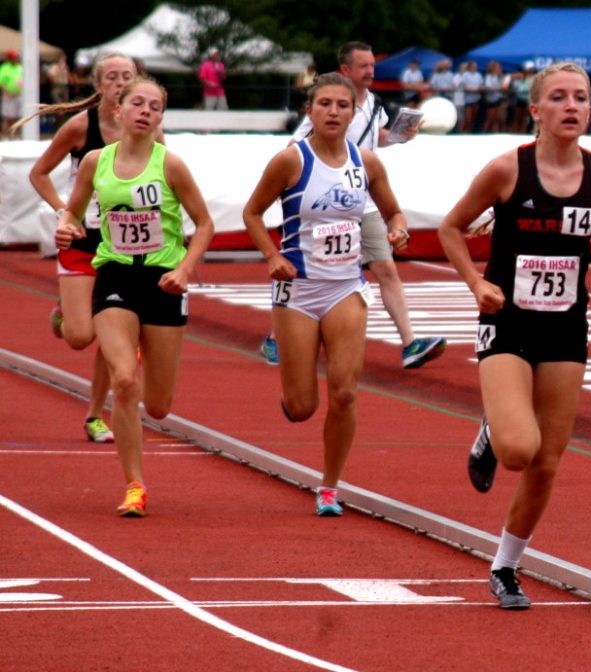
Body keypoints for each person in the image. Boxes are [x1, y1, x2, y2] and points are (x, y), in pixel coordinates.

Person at [438, 63, 591, 609]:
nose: (572, 107)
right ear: (536, 110)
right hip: (508, 323)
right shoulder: (507, 169)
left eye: (581, 98)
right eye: (559, 98)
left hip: (566, 327)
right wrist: (476, 283)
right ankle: (494, 429)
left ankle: (505, 567)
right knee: (520, 450)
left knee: (548, 460)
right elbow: (451, 228)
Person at [243, 72, 410, 516]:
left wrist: (396, 229)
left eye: (342, 105)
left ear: (354, 113)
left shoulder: (367, 163)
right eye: (325, 105)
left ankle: (330, 487)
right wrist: (270, 256)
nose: (334, 112)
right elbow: (253, 212)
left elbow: (393, 210)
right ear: (310, 110)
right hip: (297, 289)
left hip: (345, 288)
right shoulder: (290, 161)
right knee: (302, 407)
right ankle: (291, 394)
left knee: (346, 392)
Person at [54, 75, 214, 517]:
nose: (146, 111)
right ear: (119, 110)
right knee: (124, 381)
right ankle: (134, 486)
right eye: (138, 103)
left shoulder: (171, 165)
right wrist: (67, 224)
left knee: (159, 406)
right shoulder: (95, 162)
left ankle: (140, 348)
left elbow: (203, 224)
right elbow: (73, 207)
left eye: (155, 106)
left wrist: (184, 269)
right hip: (115, 276)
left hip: (164, 282)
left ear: (161, 116)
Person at [260, 41, 446, 370]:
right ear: (346, 70)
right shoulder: (326, 105)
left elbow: (377, 139)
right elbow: (295, 147)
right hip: (321, 205)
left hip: (363, 202)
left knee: (386, 268)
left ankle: (410, 342)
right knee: (310, 271)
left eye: (373, 65)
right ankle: (279, 335)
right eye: (364, 66)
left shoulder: (373, 104)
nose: (371, 71)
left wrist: (401, 135)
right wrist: (321, 166)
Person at [16, 53, 151, 444]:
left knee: (115, 335)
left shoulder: (148, 130)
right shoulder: (80, 126)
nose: (120, 82)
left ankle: (95, 415)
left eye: (128, 76)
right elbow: (38, 172)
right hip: (81, 238)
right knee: (79, 337)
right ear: (100, 85)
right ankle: (64, 310)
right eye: (112, 76)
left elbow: (162, 179)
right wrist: (65, 211)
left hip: (124, 244)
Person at [0, 50, 23, 138]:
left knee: (17, 117)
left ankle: (15, 136)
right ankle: (6, 136)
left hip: (19, 95)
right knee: (7, 117)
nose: (16, 59)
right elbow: (1, 82)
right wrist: (8, 91)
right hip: (8, 95)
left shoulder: (20, 67)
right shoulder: (5, 68)